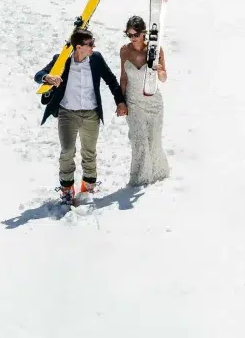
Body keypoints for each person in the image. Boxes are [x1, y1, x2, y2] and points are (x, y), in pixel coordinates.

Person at [34, 29, 128, 204]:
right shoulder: (61, 61)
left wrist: (120, 102)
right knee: (67, 151)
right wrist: (48, 77)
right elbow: (38, 76)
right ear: (78, 47)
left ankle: (89, 185)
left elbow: (111, 80)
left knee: (89, 152)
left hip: (91, 113)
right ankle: (67, 189)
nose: (93, 47)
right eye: (90, 44)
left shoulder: (96, 59)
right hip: (67, 113)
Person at [120, 15, 170, 186]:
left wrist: (159, 70)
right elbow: (123, 78)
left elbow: (163, 78)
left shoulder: (156, 50)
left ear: (143, 33)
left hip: (153, 102)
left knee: (154, 141)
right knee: (139, 140)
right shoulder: (124, 51)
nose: (132, 38)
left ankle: (157, 175)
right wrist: (121, 102)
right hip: (133, 102)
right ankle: (139, 180)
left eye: (135, 34)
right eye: (129, 35)